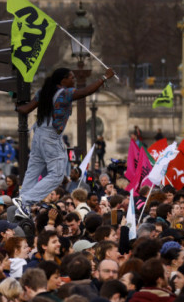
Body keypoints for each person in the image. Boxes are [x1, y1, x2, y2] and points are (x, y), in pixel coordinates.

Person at [13, 67, 115, 218]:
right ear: (63, 80)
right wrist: (104, 78)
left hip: (38, 134)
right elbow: (86, 91)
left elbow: (26, 109)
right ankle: (25, 200)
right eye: (71, 77)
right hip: (51, 137)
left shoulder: (44, 92)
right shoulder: (65, 93)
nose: (74, 80)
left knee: (33, 171)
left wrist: (16, 105)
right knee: (57, 174)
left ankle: (22, 208)